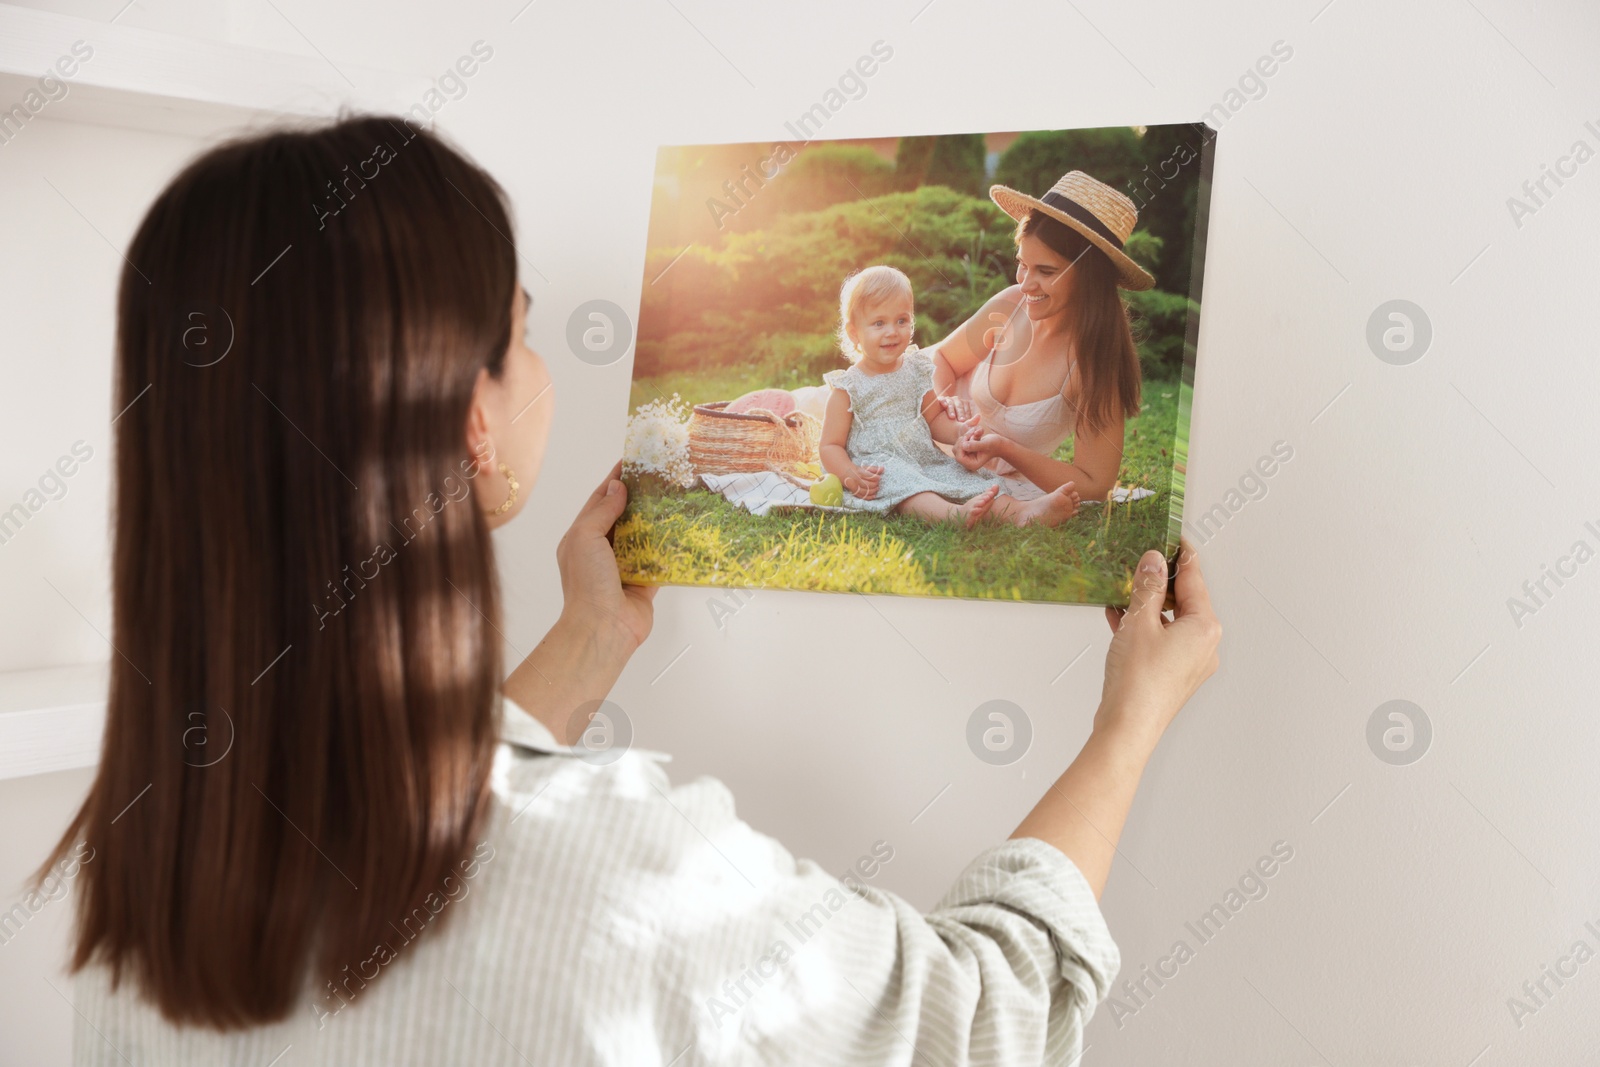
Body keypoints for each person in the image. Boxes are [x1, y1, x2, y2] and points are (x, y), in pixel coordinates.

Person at [38, 115, 1221, 1066]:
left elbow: (406, 830)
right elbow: (972, 1017)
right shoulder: (622, 870)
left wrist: (587, 643)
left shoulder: (144, 853)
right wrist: (1130, 720)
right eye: (524, 330)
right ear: (472, 419)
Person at [928, 171, 1151, 506]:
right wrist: (942, 415)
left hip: (971, 471)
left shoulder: (1093, 364)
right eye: (1022, 264)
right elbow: (943, 359)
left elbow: (1094, 484)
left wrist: (1004, 448)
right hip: (923, 422)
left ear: (1089, 278)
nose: (1026, 283)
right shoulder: (1011, 304)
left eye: (1046, 272)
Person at [819, 265, 1082, 527]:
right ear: (854, 332)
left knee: (964, 477)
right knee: (907, 485)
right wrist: (850, 474)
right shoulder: (848, 387)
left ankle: (1022, 512)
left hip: (923, 457)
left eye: (901, 320)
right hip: (879, 466)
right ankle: (950, 516)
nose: (892, 331)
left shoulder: (916, 370)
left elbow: (933, 418)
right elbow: (830, 445)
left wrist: (958, 433)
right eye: (879, 323)